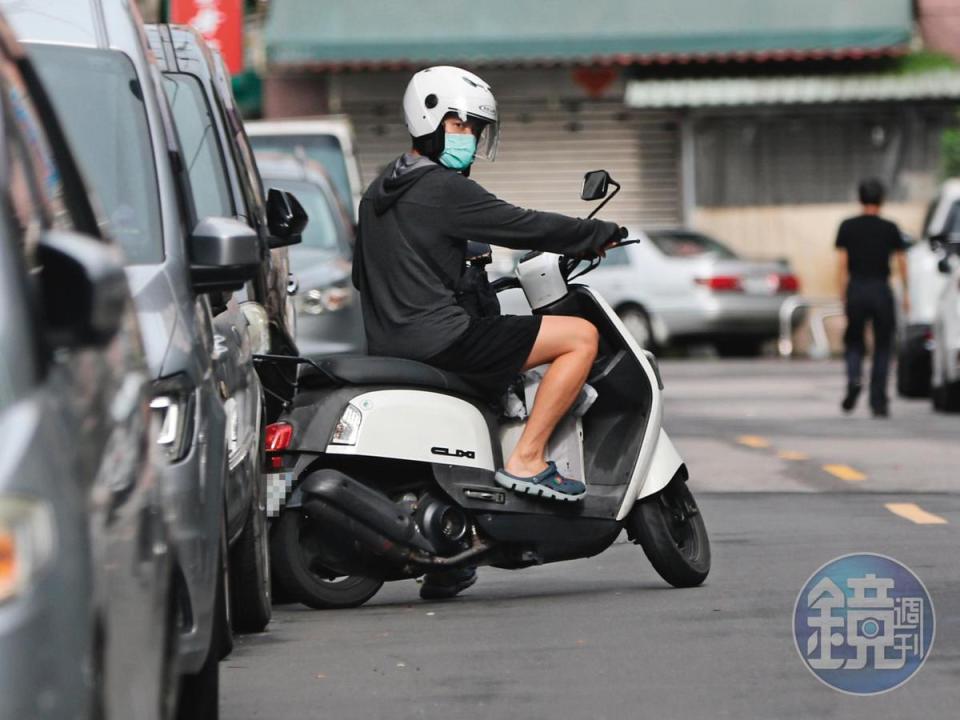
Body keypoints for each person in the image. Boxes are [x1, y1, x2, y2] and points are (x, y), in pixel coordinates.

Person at [352, 66, 621, 598]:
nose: (471, 139)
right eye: (465, 125)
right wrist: (596, 232)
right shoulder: (440, 187)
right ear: (434, 120)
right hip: (441, 339)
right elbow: (520, 224)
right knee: (579, 338)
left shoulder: (381, 190)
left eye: (475, 129)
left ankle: (450, 557)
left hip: (392, 344)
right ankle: (529, 459)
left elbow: (369, 276)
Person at [835, 178, 909, 417]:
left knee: (854, 341)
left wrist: (842, 294)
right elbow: (901, 262)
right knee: (883, 346)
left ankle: (854, 379)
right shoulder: (890, 228)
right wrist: (907, 292)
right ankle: (878, 400)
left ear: (860, 199)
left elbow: (842, 264)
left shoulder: (847, 226)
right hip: (880, 289)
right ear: (881, 200)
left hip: (857, 288)